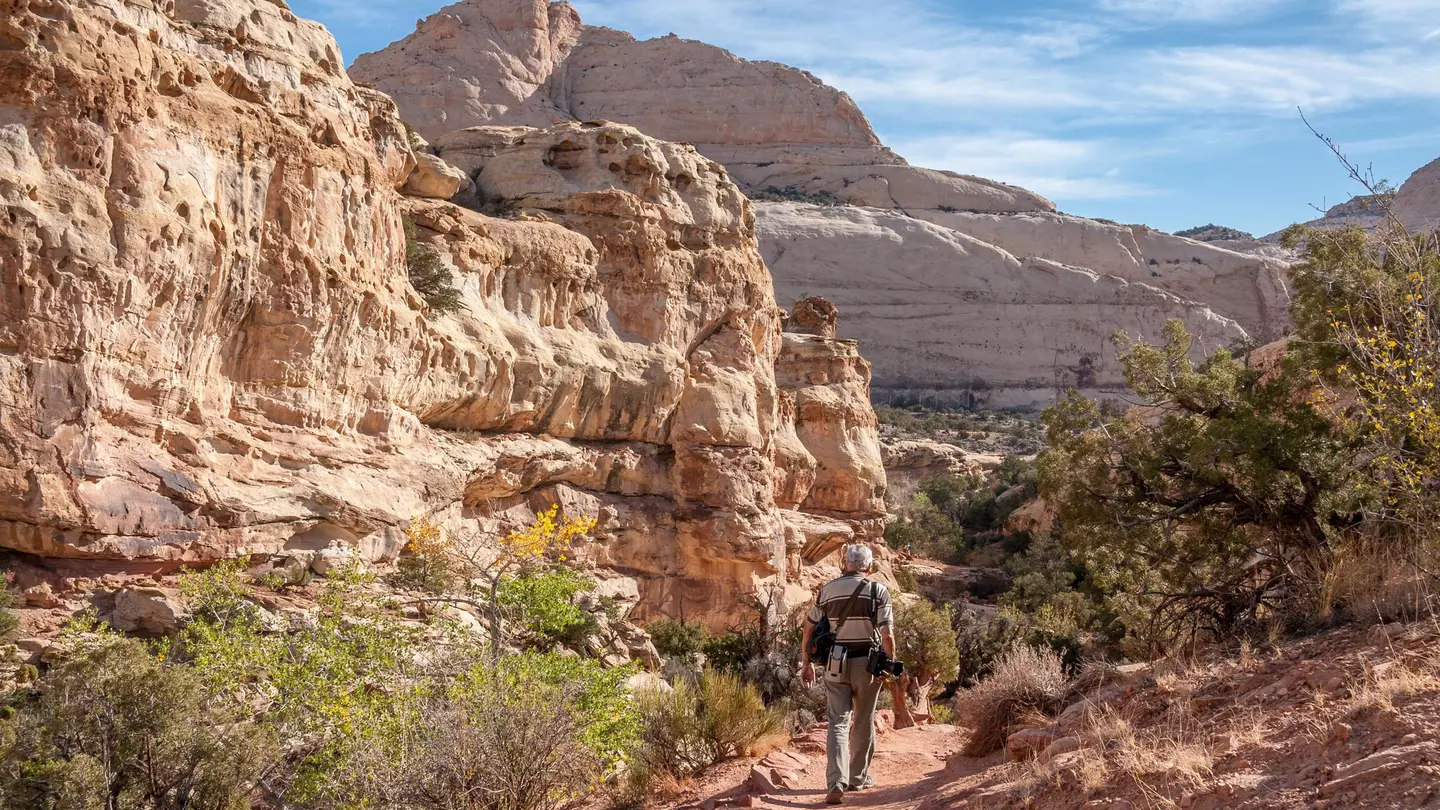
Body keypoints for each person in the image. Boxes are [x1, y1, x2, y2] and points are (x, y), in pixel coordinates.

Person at [800, 544, 896, 805]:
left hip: (835, 662)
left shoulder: (827, 590)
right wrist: (890, 664)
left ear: (845, 564)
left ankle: (835, 782)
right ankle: (857, 778)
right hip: (868, 664)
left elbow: (808, 630)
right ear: (869, 566)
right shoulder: (878, 591)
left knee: (837, 723)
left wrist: (806, 664)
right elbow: (887, 635)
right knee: (863, 721)